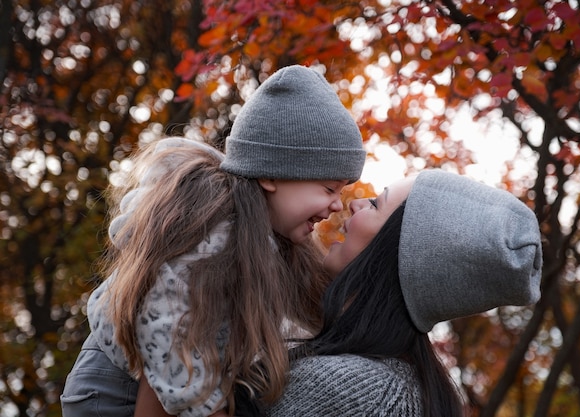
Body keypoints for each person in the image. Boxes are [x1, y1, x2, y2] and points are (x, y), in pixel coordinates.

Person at [60, 65, 366, 417]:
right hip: (113, 392)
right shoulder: (209, 233)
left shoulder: (272, 239)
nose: (336, 205)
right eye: (329, 188)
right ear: (270, 174)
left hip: (168, 377)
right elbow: (168, 335)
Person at [235, 169, 543, 416]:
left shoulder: (358, 391)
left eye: (375, 204)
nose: (354, 203)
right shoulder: (404, 384)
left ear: (395, 254)